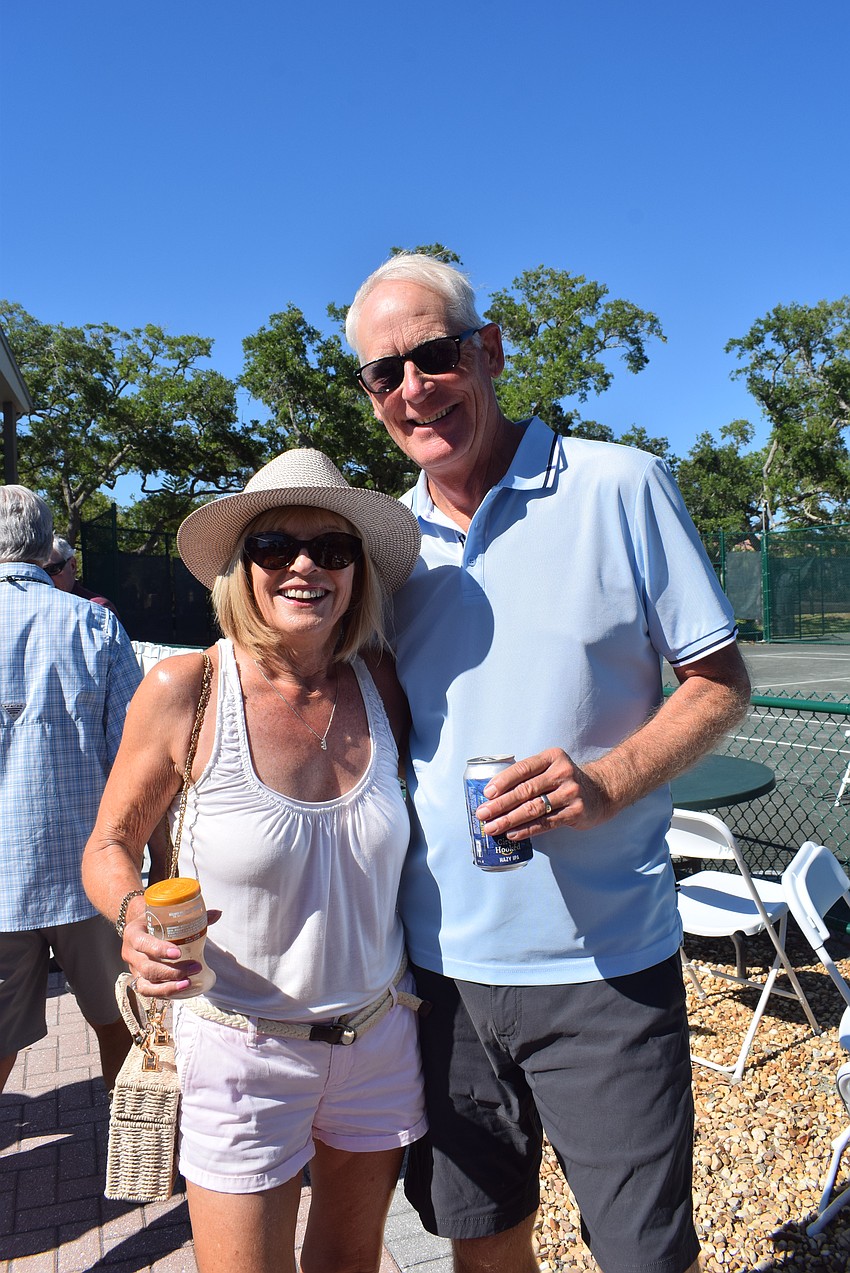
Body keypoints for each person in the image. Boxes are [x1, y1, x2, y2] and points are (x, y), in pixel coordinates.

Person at [345, 253, 753, 1273]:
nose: (411, 388)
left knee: (643, 1254)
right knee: (482, 1244)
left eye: (431, 355)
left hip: (605, 968)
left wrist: (606, 780)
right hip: (436, 974)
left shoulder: (618, 485)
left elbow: (718, 682)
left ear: (487, 351)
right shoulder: (387, 546)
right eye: (382, 373)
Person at [81, 448, 427, 1273]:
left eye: (331, 549)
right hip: (239, 1048)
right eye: (276, 547)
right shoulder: (187, 686)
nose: (305, 566)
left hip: (378, 1037)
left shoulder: (382, 681)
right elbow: (108, 847)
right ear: (243, 568)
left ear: (356, 573)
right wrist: (133, 919)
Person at [0, 486, 142, 1096]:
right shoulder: (95, 624)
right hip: (91, 874)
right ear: (46, 545)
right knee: (122, 1024)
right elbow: (137, 762)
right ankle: (132, 1151)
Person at [45, 534, 120, 617]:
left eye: (52, 569)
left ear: (72, 565)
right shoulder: (34, 609)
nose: (45, 577)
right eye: (39, 571)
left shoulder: (98, 609)